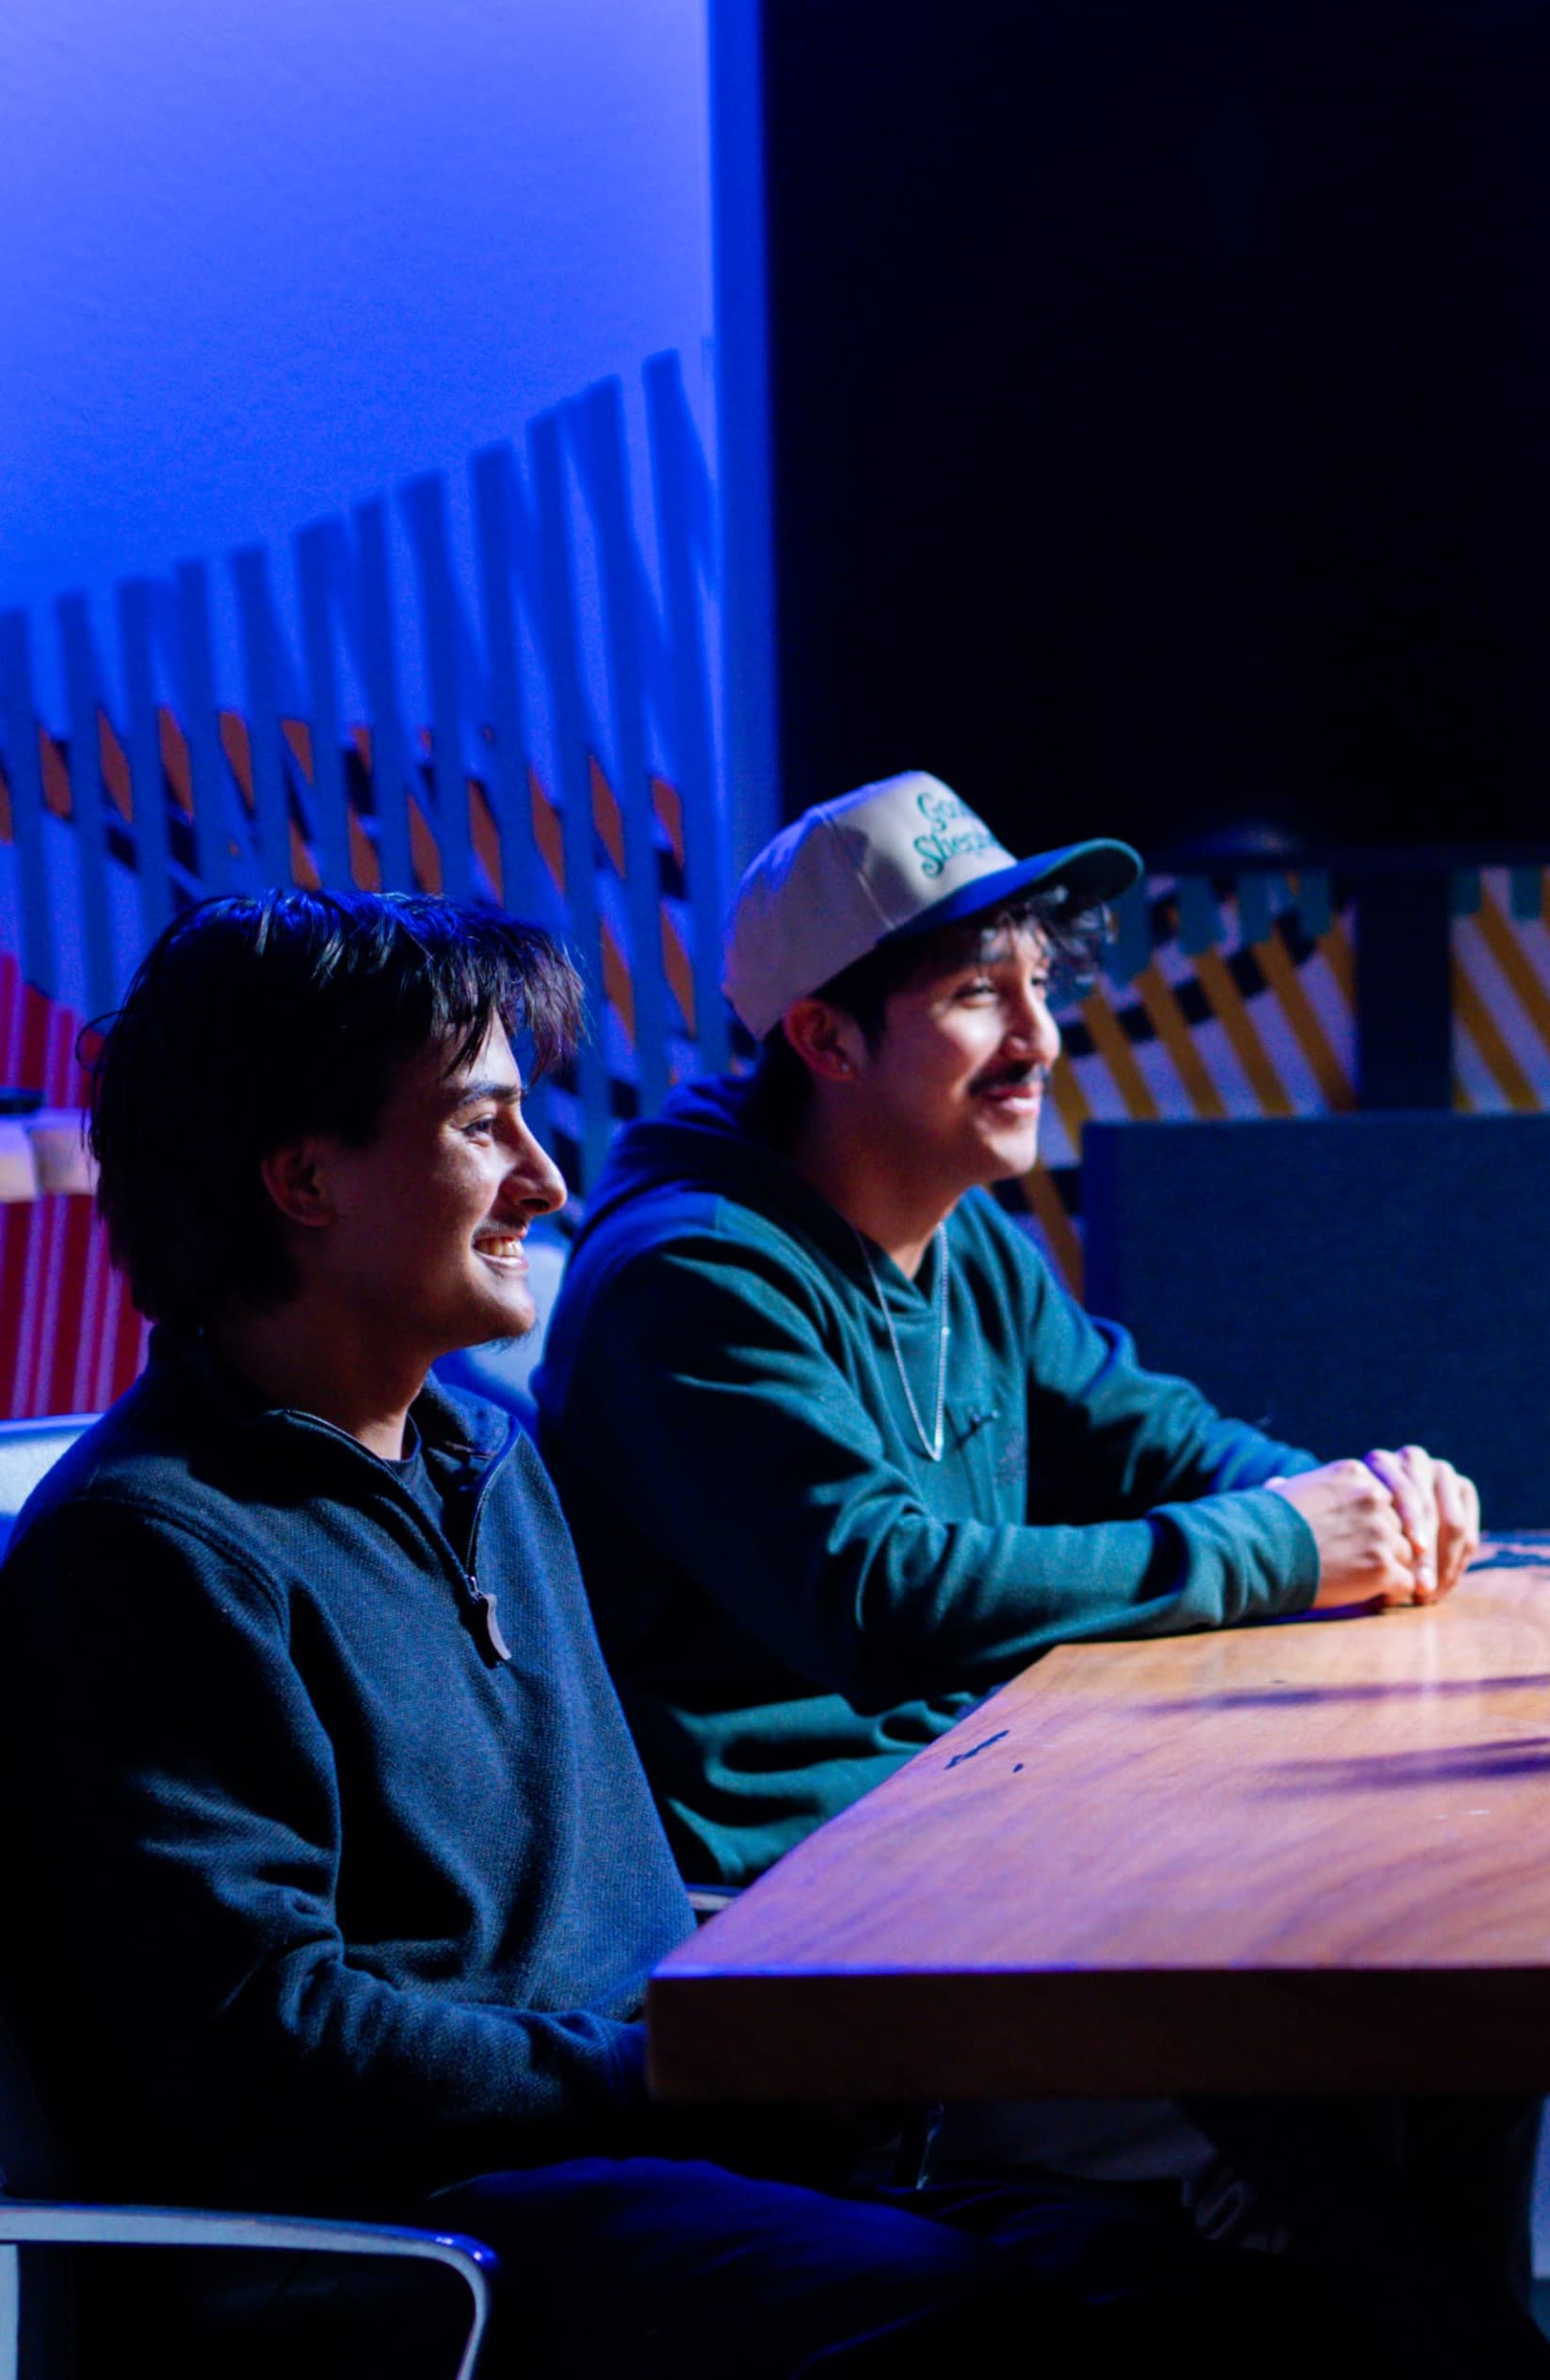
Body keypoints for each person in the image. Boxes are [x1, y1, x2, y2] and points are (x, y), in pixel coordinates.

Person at [0, 890, 1358, 2377]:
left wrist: (768, 2055)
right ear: (306, 1179)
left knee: (1229, 2306)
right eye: (483, 1127)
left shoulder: (485, 1457)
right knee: (986, 2329)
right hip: (408, 2242)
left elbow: (604, 1921)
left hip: (624, 2158)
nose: (545, 1175)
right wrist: (671, 2074)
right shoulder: (149, 1547)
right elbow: (264, 2043)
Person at [532, 774, 1550, 2375]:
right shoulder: (688, 1278)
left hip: (975, 1849)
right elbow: (876, 1589)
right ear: (823, 1037)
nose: (1039, 1034)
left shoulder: (967, 1235)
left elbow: (1155, 1435)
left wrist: (1354, 1498)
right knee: (1355, 2063)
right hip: (809, 1931)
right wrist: (1289, 1546)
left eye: (1037, 981)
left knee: (1463, 2031)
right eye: (970, 993)